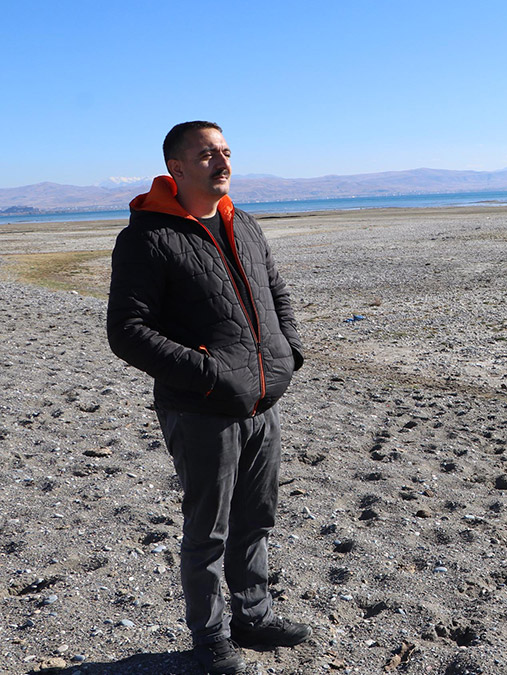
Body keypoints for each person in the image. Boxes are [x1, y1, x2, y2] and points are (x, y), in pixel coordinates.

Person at [107, 121, 311, 674]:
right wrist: (210, 374)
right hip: (200, 409)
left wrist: (289, 353)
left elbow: (276, 293)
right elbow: (126, 330)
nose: (221, 162)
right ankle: (210, 639)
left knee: (257, 518)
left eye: (225, 151)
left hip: (264, 401)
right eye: (205, 155)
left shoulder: (241, 223)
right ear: (175, 167)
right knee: (208, 531)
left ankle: (253, 616)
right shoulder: (148, 236)